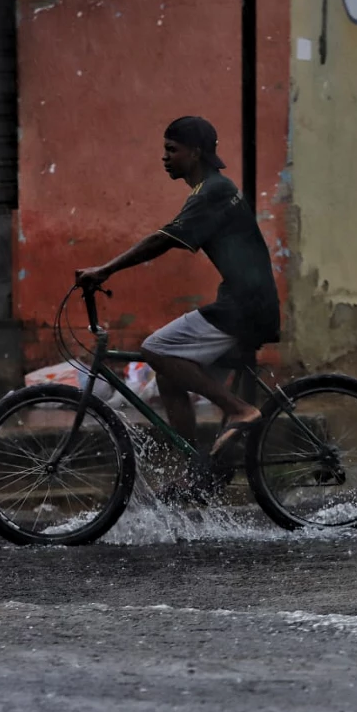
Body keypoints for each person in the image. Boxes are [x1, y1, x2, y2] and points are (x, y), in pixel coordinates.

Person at [76, 116, 281, 471]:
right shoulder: (209, 191)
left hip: (244, 307)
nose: (164, 157)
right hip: (246, 303)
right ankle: (197, 470)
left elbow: (164, 239)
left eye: (171, 149)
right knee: (170, 379)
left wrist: (105, 270)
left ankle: (240, 410)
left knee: (155, 348)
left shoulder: (214, 190)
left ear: (195, 152)